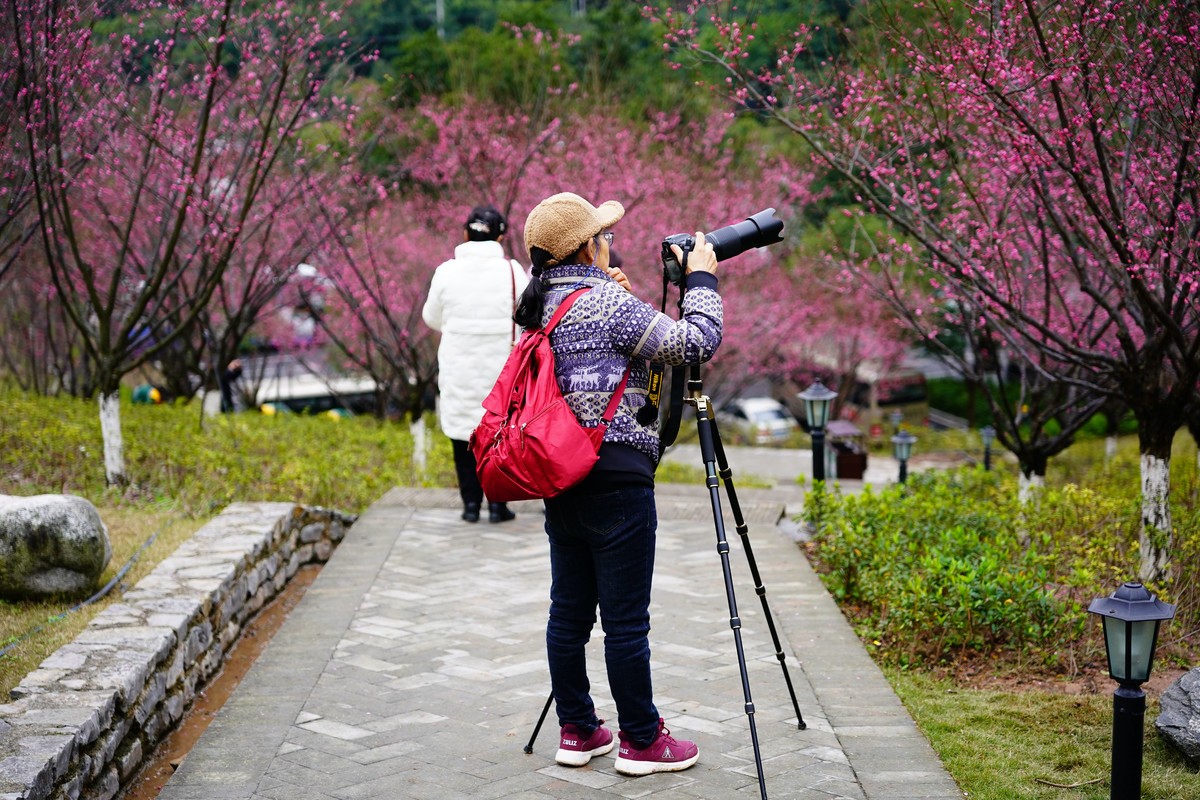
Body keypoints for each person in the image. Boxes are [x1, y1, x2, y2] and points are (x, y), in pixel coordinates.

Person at [515, 192, 721, 776]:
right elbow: (692, 343)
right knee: (626, 621)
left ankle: (577, 731)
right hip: (618, 481)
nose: (610, 240)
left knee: (569, 614)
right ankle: (641, 741)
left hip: (560, 477)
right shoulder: (604, 302)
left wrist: (617, 294)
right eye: (602, 234)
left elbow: (591, 364)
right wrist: (701, 281)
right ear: (588, 245)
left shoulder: (537, 304)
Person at [423, 204, 529, 523]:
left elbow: (431, 317)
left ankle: (470, 506)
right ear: (500, 236)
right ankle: (498, 505)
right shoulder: (512, 272)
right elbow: (526, 317)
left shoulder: (446, 271)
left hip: (458, 366)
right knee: (499, 434)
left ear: (465, 233)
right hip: (501, 370)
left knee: (461, 433)